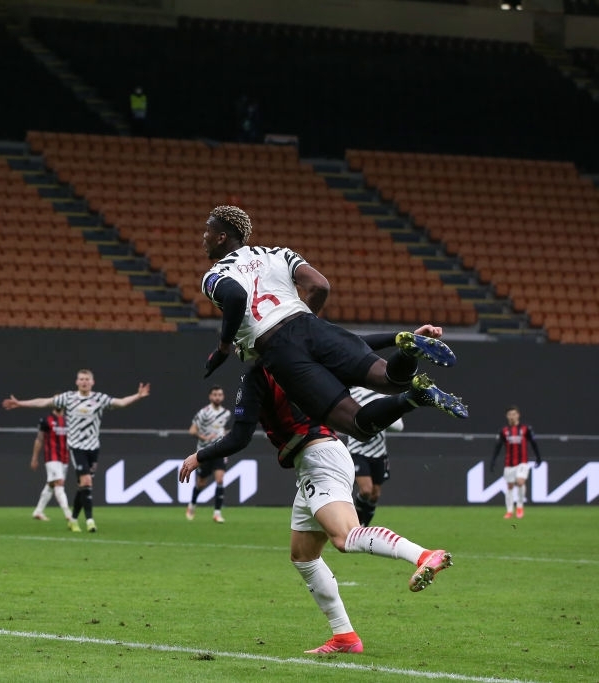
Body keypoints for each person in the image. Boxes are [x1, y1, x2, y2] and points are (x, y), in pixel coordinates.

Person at [179, 325, 454, 655]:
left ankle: (424, 555)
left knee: (345, 537)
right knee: (304, 556)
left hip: (318, 455)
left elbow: (239, 438)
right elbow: (354, 346)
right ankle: (345, 637)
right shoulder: (303, 356)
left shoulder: (256, 376)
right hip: (317, 456)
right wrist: (402, 337)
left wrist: (199, 455)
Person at [199, 204, 468, 443]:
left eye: (208, 232)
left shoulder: (216, 274)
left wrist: (223, 348)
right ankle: (407, 349)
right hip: (310, 324)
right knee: (392, 380)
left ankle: (415, 396)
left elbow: (235, 295)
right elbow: (320, 286)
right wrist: (305, 322)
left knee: (358, 425)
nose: (204, 237)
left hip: (278, 349)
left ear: (222, 237)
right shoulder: (278, 253)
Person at [3, 369, 150, 533]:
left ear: (92, 382)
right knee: (87, 482)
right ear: (77, 382)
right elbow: (44, 402)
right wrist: (20, 403)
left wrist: (137, 396)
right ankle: (90, 521)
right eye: (81, 379)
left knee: (83, 486)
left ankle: (73, 519)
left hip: (93, 448)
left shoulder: (99, 399)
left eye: (87, 379)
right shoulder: (68, 398)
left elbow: (121, 402)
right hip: (76, 447)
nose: (84, 382)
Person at [346, 386, 403, 527]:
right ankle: (356, 526)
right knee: (366, 490)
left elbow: (398, 426)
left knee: (375, 494)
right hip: (357, 450)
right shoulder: (351, 395)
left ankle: (364, 527)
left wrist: (381, 418)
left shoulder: (383, 394)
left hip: (379, 453)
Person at [185, 384, 232, 523]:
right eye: (215, 394)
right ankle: (192, 504)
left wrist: (226, 436)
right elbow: (192, 430)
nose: (217, 397)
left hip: (219, 451)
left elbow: (223, 430)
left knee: (220, 480)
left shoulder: (226, 414)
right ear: (210, 396)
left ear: (222, 397)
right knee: (201, 483)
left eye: (220, 395)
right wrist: (205, 438)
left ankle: (217, 513)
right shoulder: (203, 413)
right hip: (204, 452)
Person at [490, 405, 542, 519]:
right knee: (509, 486)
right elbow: (497, 447)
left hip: (522, 462)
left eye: (514, 414)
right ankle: (509, 510)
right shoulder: (504, 431)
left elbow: (534, 443)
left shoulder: (526, 429)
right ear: (507, 416)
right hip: (509, 463)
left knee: (520, 481)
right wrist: (493, 461)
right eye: (510, 414)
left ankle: (519, 506)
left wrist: (538, 457)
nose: (512, 416)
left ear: (518, 415)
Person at [30, 407, 76, 528]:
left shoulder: (70, 420)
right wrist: (34, 458)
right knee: (59, 483)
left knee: (51, 484)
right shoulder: (46, 420)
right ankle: (69, 515)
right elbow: (39, 439)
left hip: (64, 457)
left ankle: (38, 511)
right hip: (51, 457)